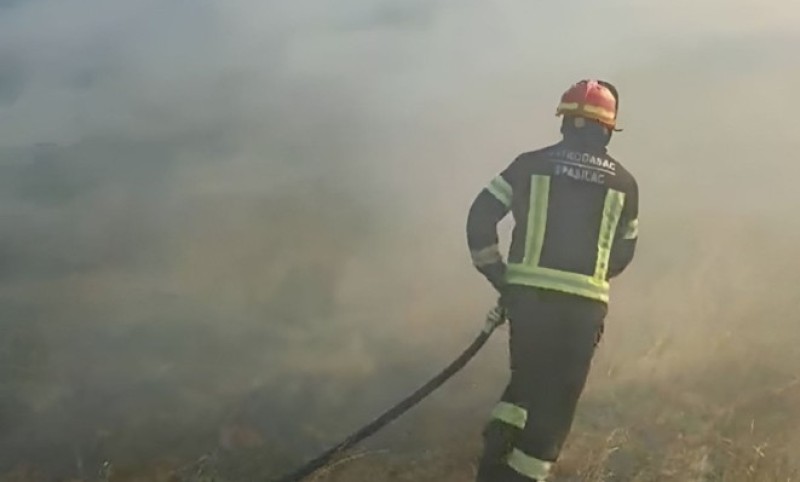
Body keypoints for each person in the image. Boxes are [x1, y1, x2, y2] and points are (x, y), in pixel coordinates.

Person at [466, 79, 639, 481]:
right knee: (554, 409)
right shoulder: (625, 184)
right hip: (581, 311)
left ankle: (495, 458)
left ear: (564, 122)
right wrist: (592, 275)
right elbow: (625, 252)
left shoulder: (529, 164)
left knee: (526, 382)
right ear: (608, 128)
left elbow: (480, 216)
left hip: (528, 304)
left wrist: (500, 275)